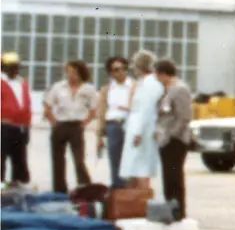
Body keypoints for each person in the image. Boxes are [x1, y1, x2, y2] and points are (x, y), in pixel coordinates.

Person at [44, 59, 99, 192]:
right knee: (58, 159)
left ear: (81, 73)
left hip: (76, 126)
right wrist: (54, 123)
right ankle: (59, 189)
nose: (71, 75)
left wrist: (84, 123)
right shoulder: (58, 87)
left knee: (79, 159)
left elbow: (93, 110)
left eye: (74, 72)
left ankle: (85, 186)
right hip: (61, 124)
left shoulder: (88, 89)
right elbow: (48, 105)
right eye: (68, 72)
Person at [154, 60, 194, 221]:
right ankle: (169, 206)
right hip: (164, 139)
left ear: (164, 74)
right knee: (167, 175)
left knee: (174, 175)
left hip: (176, 139)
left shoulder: (180, 90)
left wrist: (172, 135)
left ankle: (178, 209)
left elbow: (184, 116)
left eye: (157, 75)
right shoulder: (166, 90)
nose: (156, 78)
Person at [119, 50, 163, 190]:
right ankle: (135, 201)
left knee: (141, 168)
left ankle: (142, 201)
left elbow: (146, 109)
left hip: (142, 131)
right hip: (137, 128)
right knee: (134, 167)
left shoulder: (150, 83)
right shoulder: (143, 82)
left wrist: (138, 132)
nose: (133, 68)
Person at [95, 55, 138, 183]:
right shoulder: (106, 89)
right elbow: (101, 113)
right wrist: (99, 136)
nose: (121, 72)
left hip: (131, 125)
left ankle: (132, 193)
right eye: (116, 69)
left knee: (132, 160)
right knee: (115, 160)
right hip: (113, 125)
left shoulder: (135, 86)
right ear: (110, 72)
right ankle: (118, 190)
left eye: (124, 68)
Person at [1, 52, 32, 186]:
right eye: (12, 67)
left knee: (19, 157)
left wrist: (27, 125)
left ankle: (17, 184)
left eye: (16, 67)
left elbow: (27, 103)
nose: (15, 70)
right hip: (3, 126)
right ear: (4, 67)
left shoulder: (22, 83)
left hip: (21, 126)